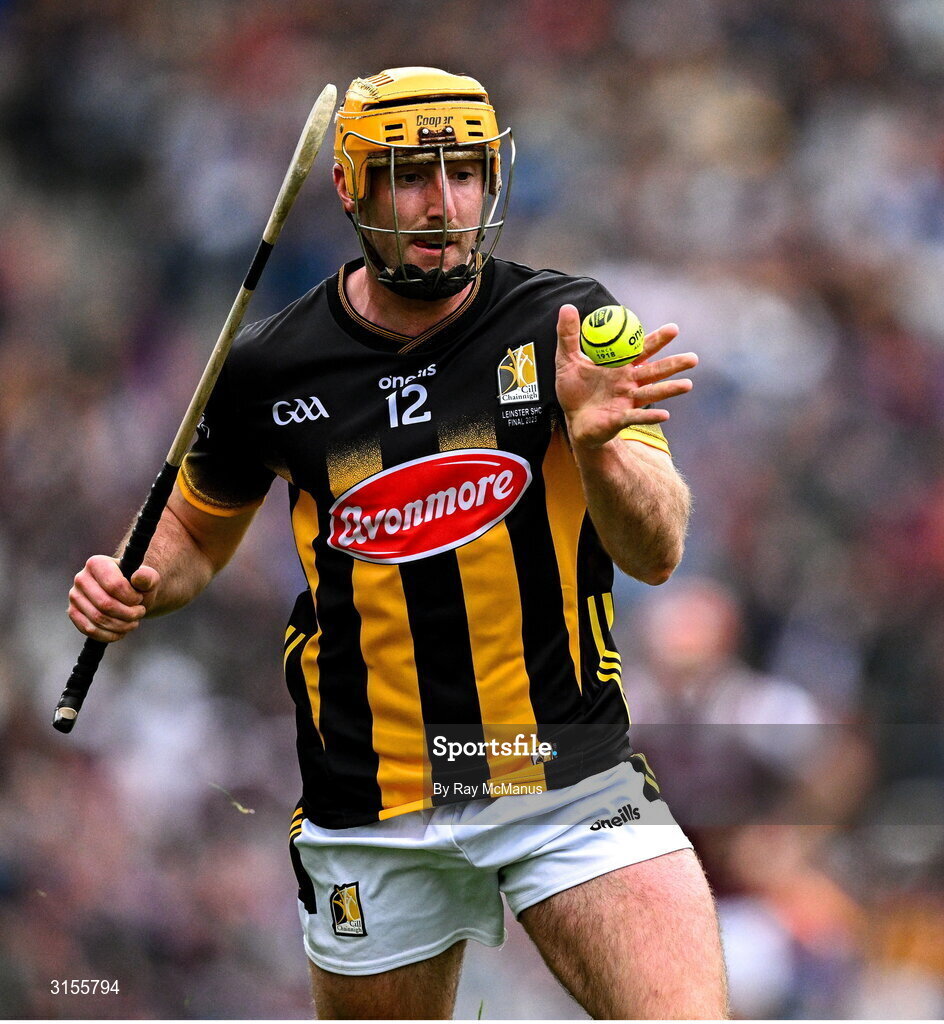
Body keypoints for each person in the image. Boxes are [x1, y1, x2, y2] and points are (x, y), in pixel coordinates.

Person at [68, 67, 728, 1019]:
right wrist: (133, 583)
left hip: (562, 770)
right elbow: (192, 537)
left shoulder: (567, 323)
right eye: (410, 174)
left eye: (464, 173)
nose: (443, 203)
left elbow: (657, 549)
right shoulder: (267, 367)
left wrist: (600, 452)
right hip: (369, 798)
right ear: (350, 187)